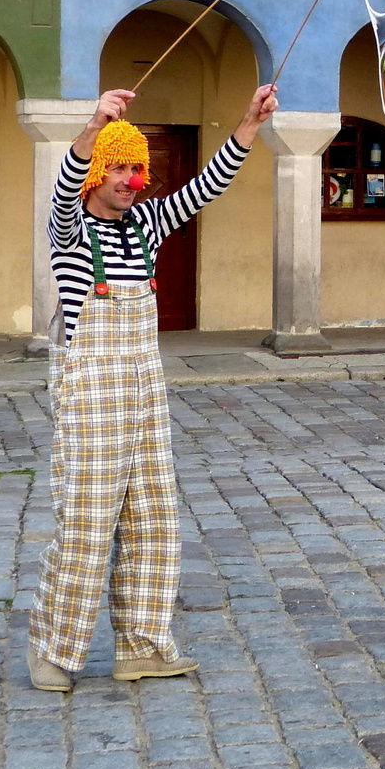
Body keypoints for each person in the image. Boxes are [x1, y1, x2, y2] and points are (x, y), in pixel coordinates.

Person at [27, 83, 277, 692]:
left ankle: (142, 644)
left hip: (143, 390)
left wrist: (248, 123)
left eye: (137, 167)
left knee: (153, 519)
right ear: (95, 172)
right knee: (86, 522)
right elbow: (64, 184)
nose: (129, 178)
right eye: (118, 166)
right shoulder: (69, 229)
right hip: (91, 393)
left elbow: (206, 186)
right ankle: (54, 654)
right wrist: (92, 128)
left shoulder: (147, 222)